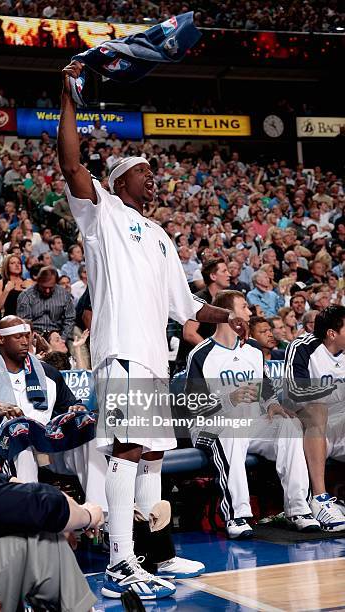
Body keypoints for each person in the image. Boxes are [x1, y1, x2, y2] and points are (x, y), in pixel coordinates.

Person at [58, 60, 248, 600]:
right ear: (119, 179)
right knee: (125, 449)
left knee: (149, 455)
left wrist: (227, 314)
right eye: (143, 168)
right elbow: (70, 162)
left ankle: (150, 554)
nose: (152, 175)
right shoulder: (104, 213)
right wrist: (67, 97)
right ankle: (120, 561)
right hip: (120, 350)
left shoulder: (161, 235)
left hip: (152, 359)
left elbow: (186, 310)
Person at [0, 374, 101, 612]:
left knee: (38, 526)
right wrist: (88, 515)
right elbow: (43, 504)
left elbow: (4, 483)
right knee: (42, 539)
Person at [186, 290, 319, 538]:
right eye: (245, 307)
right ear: (229, 314)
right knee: (233, 432)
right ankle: (237, 515)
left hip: (251, 422)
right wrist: (229, 399)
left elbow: (265, 385)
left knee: (289, 427)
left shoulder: (253, 350)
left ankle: (299, 509)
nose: (250, 312)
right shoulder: (202, 354)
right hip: (212, 425)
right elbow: (194, 405)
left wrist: (271, 405)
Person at [0, 315, 84, 483]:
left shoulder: (48, 372)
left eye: (27, 336)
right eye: (18, 337)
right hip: (6, 449)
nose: (25, 342)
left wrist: (76, 409)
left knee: (88, 438)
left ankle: (102, 507)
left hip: (49, 444)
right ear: (0, 339)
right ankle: (30, 505)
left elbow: (69, 404)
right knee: (20, 435)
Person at [284, 305, 345, 531]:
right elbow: (294, 392)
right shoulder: (303, 346)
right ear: (332, 333)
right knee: (319, 409)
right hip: (304, 420)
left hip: (338, 421)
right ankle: (319, 498)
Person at [16, 266, 75, 341]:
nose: (47, 291)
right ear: (38, 282)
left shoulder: (64, 295)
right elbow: (24, 322)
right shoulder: (26, 296)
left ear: (56, 283)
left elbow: (69, 319)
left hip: (58, 335)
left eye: (51, 288)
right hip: (34, 337)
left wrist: (63, 339)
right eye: (44, 287)